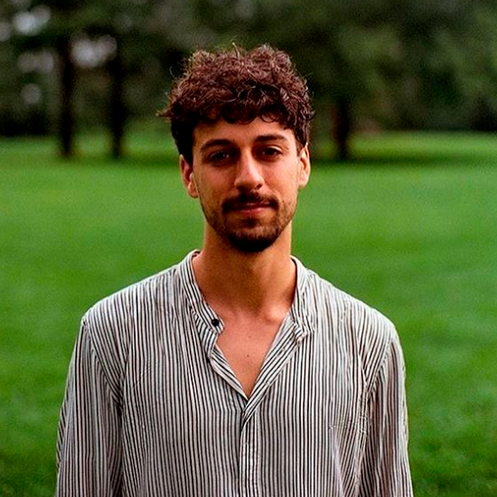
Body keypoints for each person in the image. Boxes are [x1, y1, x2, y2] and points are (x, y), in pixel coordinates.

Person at [55, 44, 413, 496]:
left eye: (269, 151)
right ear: (189, 174)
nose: (249, 178)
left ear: (302, 164)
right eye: (222, 156)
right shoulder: (113, 334)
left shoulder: (369, 341)